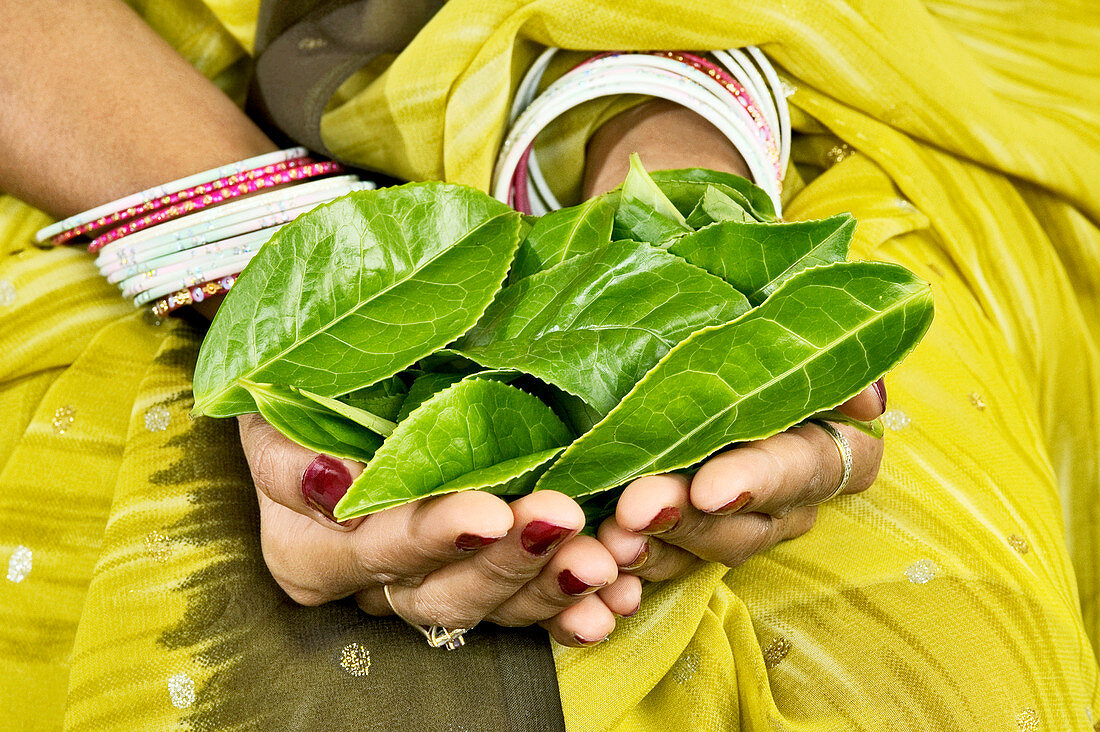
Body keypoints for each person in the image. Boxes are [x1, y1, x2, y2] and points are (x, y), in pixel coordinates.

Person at [1, 1, 1097, 730]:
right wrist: (267, 261)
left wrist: (673, 170)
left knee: (922, 668)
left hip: (862, 80)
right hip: (114, 113)